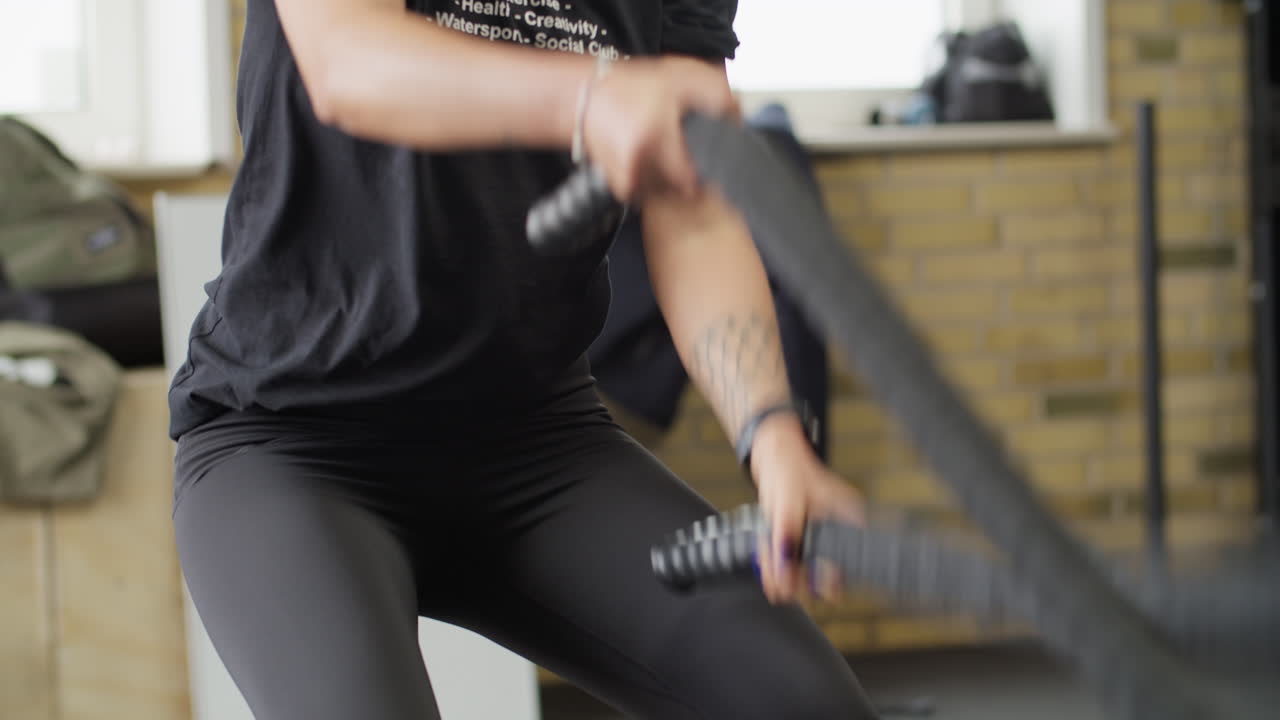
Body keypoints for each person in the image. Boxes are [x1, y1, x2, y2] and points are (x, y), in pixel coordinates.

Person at [169, 1, 878, 718]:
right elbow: (347, 62)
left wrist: (771, 434)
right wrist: (594, 95)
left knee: (806, 705)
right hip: (291, 440)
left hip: (537, 442)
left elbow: (691, 209)